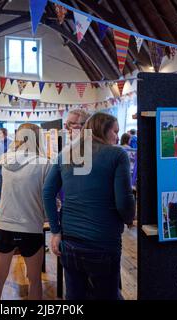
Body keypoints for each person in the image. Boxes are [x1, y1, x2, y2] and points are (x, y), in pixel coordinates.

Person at [43, 112, 135, 300]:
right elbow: (124, 202)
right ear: (104, 130)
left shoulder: (65, 154)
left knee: (75, 297)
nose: (117, 137)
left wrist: (56, 231)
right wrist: (129, 218)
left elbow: (47, 192)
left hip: (70, 242)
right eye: (115, 131)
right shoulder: (117, 154)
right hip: (103, 243)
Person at [0, 123, 51, 300]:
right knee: (35, 280)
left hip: (5, 224)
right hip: (31, 225)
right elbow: (47, 198)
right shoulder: (45, 163)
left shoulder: (5, 160)